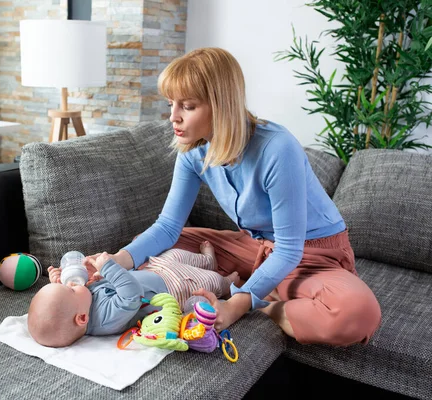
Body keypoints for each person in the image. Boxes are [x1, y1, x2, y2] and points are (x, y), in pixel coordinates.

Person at [85, 47, 381, 347]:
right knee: (149, 247)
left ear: (220, 104)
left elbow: (289, 250)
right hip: (254, 248)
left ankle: (264, 301)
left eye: (187, 106)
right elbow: (167, 227)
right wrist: (116, 260)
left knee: (356, 314)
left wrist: (236, 307)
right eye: (171, 104)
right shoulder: (192, 151)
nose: (173, 117)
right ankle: (255, 286)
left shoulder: (278, 149)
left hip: (311, 255)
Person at [28, 242, 239, 347]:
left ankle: (208, 261)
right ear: (82, 318)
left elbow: (84, 294)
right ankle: (228, 283)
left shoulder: (82, 303)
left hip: (154, 270)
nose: (74, 285)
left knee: (177, 254)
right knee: (210, 281)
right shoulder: (104, 319)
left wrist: (60, 281)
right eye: (71, 288)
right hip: (175, 287)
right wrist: (108, 268)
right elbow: (132, 294)